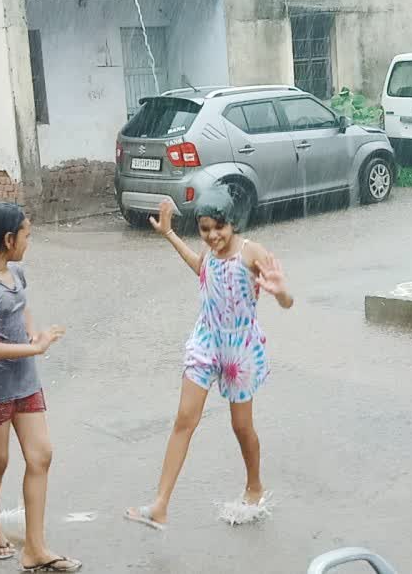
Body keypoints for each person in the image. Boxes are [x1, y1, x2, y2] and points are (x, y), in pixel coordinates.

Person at [125, 186, 293, 530]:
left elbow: (287, 300)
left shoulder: (251, 252)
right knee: (184, 419)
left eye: (219, 228)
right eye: (205, 229)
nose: (213, 236)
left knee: (241, 427)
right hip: (206, 340)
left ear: (232, 223)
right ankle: (160, 505)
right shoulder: (209, 250)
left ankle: (254, 485)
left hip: (239, 349)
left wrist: (281, 293)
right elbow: (202, 268)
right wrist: (170, 233)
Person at [0, 203, 82, 572]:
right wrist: (32, 348)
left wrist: (36, 334)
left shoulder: (18, 274)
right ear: (8, 239)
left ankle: (35, 548)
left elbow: (21, 313)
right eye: (26, 234)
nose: (30, 240)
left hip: (25, 383)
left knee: (41, 455)